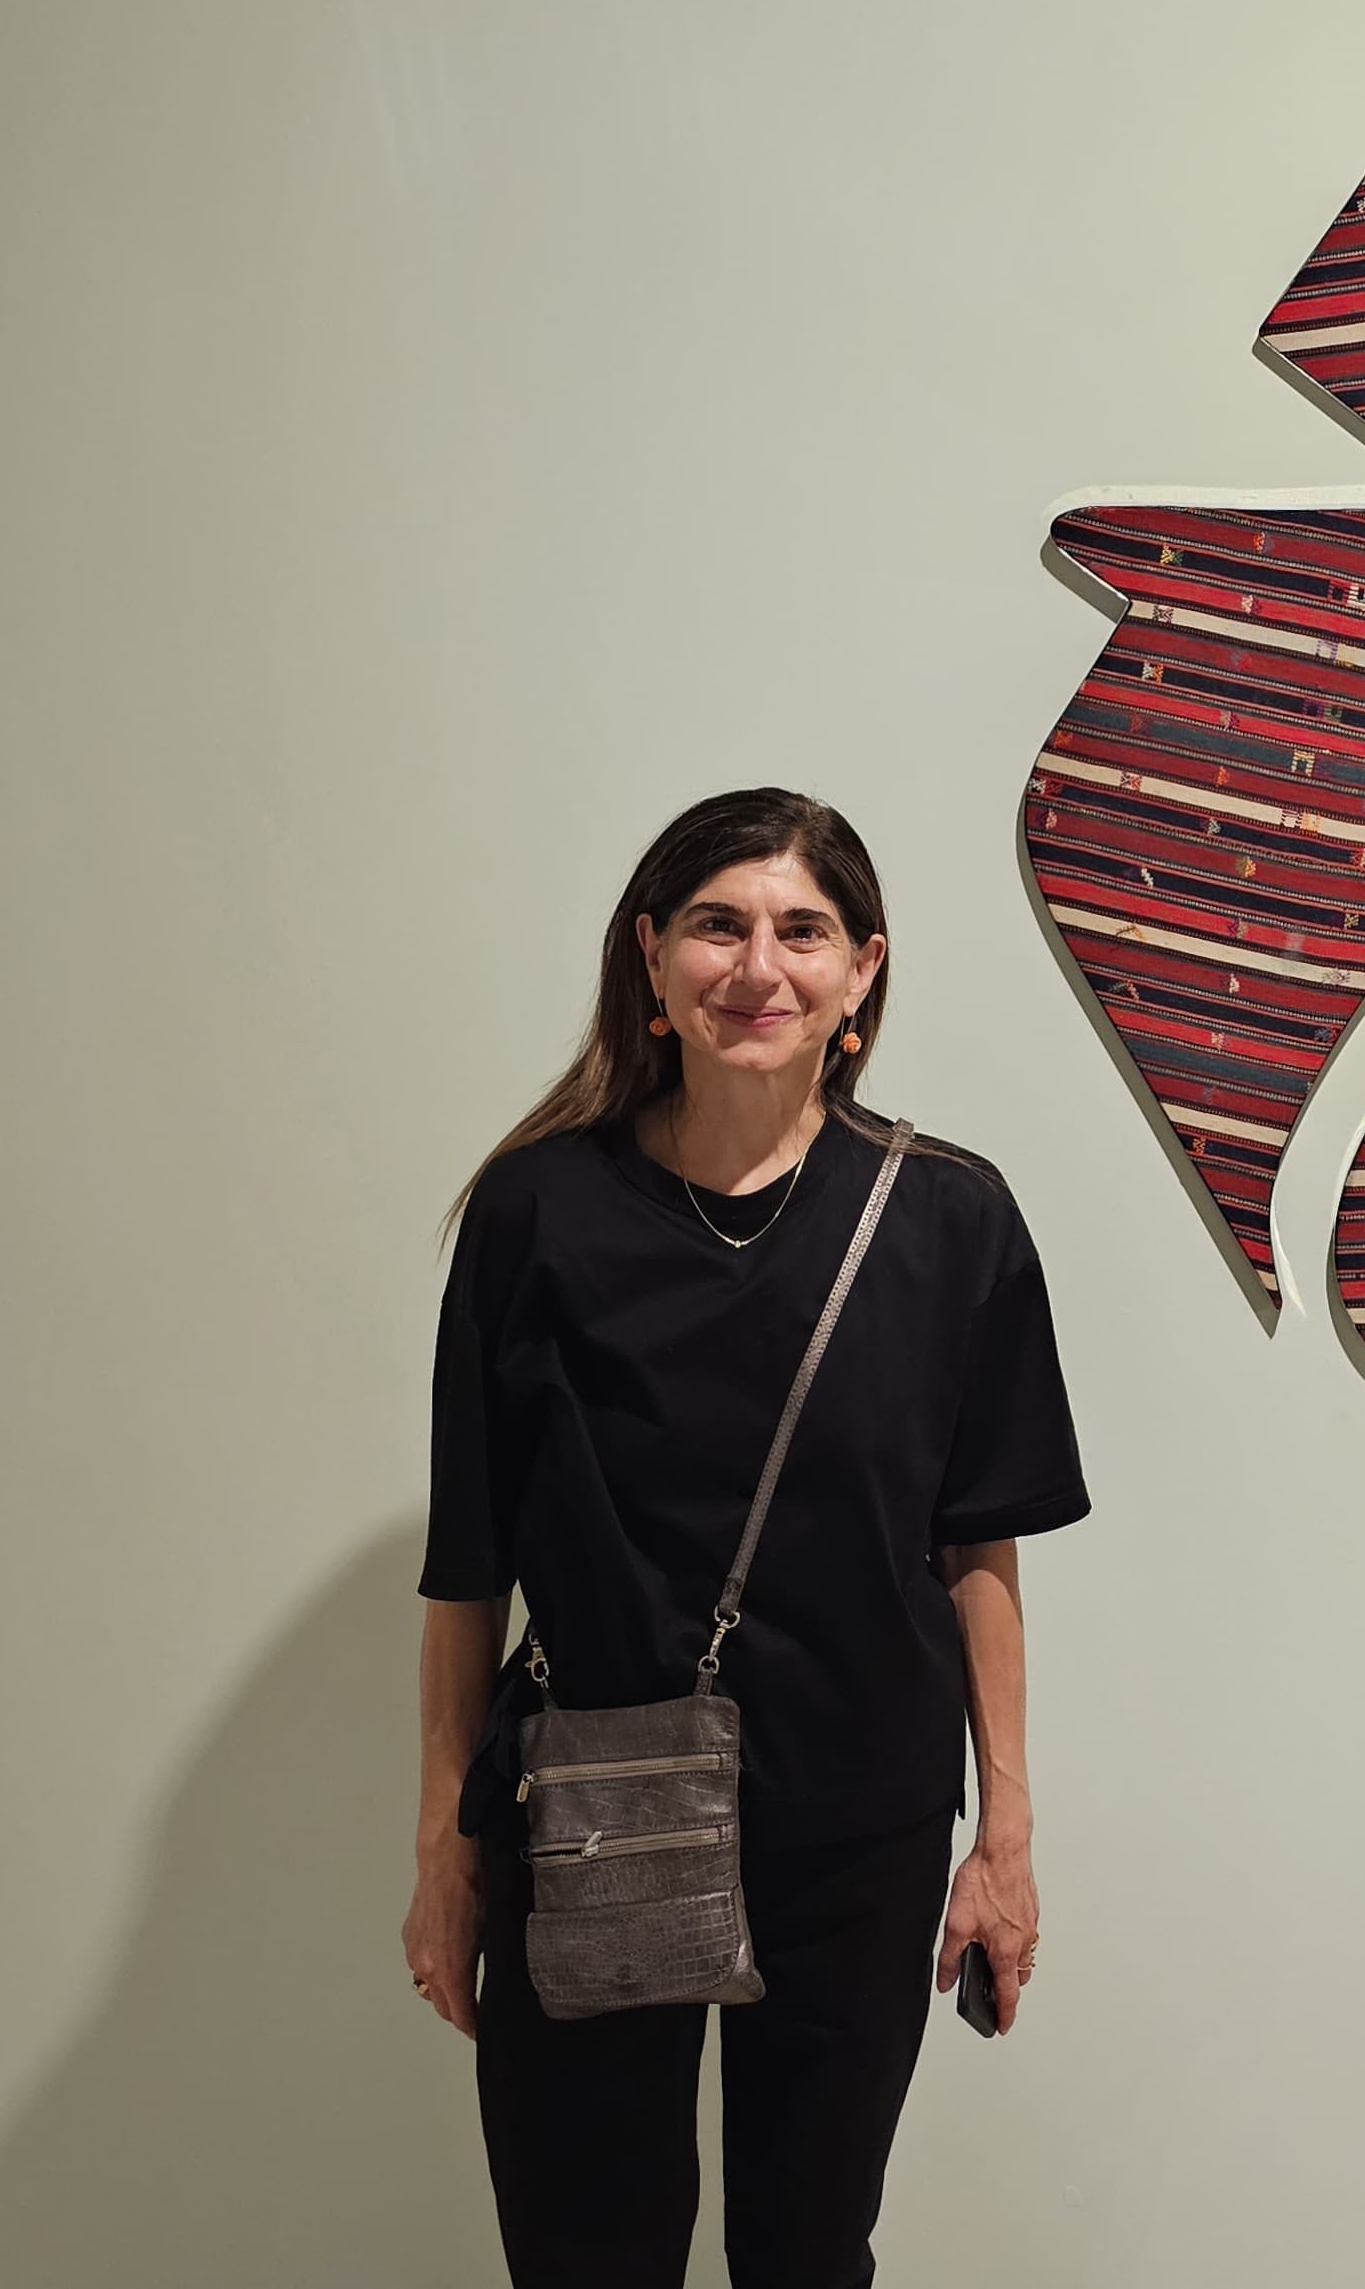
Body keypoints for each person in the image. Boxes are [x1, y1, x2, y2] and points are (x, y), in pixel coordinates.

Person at [402, 787, 1089, 2288]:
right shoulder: (535, 1213)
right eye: (717, 922)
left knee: (807, 2249)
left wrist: (1008, 1841)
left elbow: (981, 1550)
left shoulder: (949, 1220)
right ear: (650, 957)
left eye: (802, 930)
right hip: (591, 1807)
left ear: (861, 974)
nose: (756, 965)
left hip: (857, 1825)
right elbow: (469, 1561)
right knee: (589, 2253)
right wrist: (446, 1849)